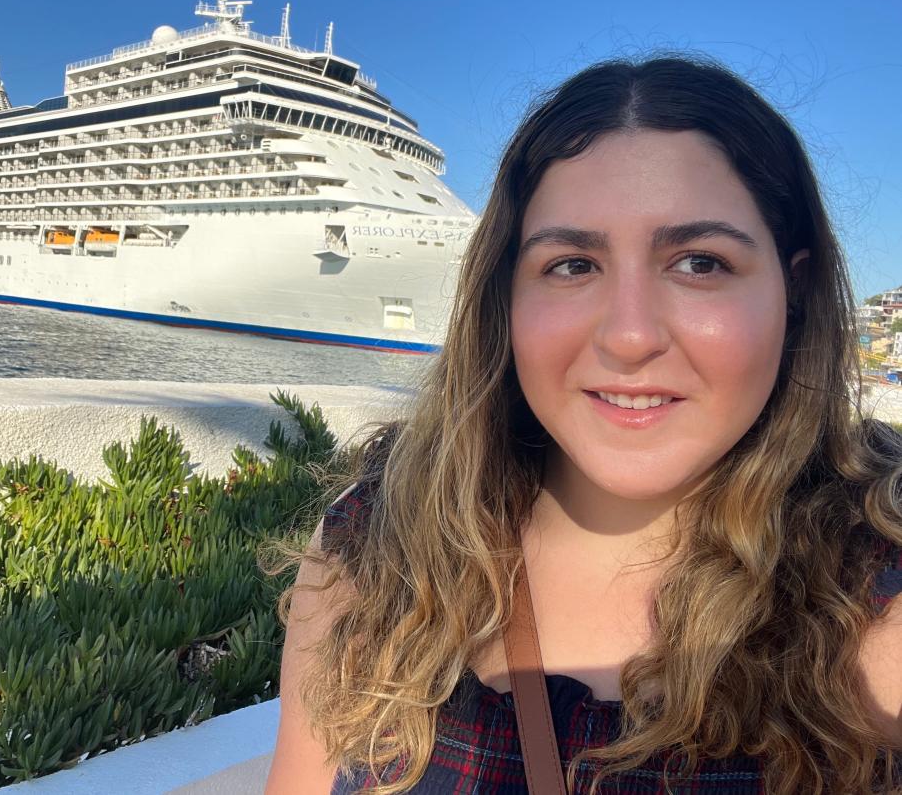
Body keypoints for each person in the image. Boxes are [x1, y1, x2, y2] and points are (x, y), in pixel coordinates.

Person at [263, 56, 902, 794]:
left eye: (700, 262)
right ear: (505, 295)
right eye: (571, 265)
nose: (629, 337)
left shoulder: (874, 586)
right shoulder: (379, 539)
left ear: (794, 290)